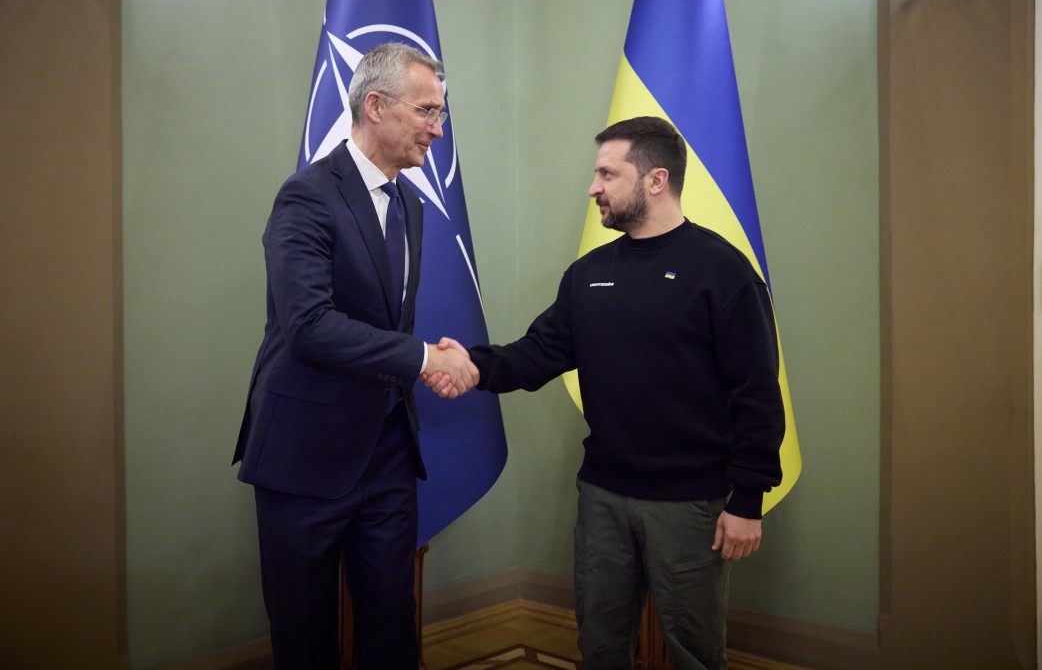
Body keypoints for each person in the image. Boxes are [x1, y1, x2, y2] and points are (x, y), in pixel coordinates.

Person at [427, 116, 784, 669]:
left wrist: (747, 500)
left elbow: (757, 394)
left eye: (607, 174)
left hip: (692, 504)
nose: (594, 187)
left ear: (655, 180)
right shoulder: (588, 273)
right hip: (603, 498)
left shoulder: (723, 272)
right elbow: (536, 353)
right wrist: (468, 364)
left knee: (694, 652)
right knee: (598, 645)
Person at [233, 42, 477, 670]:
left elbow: (381, 321)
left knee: (392, 624)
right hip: (305, 454)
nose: (437, 128)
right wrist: (423, 358)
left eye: (440, 114)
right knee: (307, 635)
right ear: (375, 105)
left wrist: (428, 359)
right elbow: (310, 326)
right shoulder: (306, 196)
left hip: (389, 451)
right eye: (427, 111)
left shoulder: (413, 205)